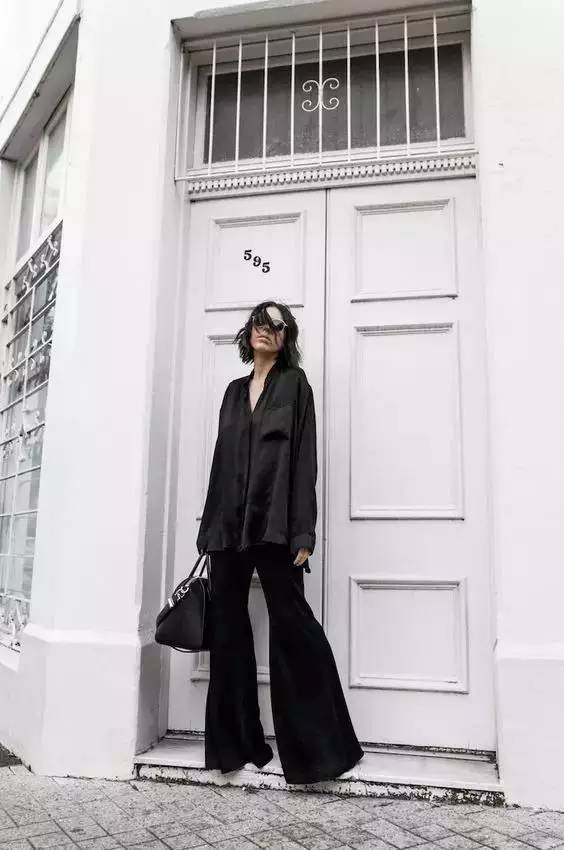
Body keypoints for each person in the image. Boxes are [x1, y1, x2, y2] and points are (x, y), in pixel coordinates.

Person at [196, 300, 364, 785]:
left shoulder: (295, 385)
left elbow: (305, 459)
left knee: (294, 627)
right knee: (228, 631)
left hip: (275, 527)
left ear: (286, 337)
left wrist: (303, 531)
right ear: (247, 332)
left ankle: (323, 753)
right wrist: (209, 530)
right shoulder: (232, 392)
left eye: (277, 325)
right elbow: (221, 462)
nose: (266, 329)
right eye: (259, 322)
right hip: (228, 529)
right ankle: (238, 746)